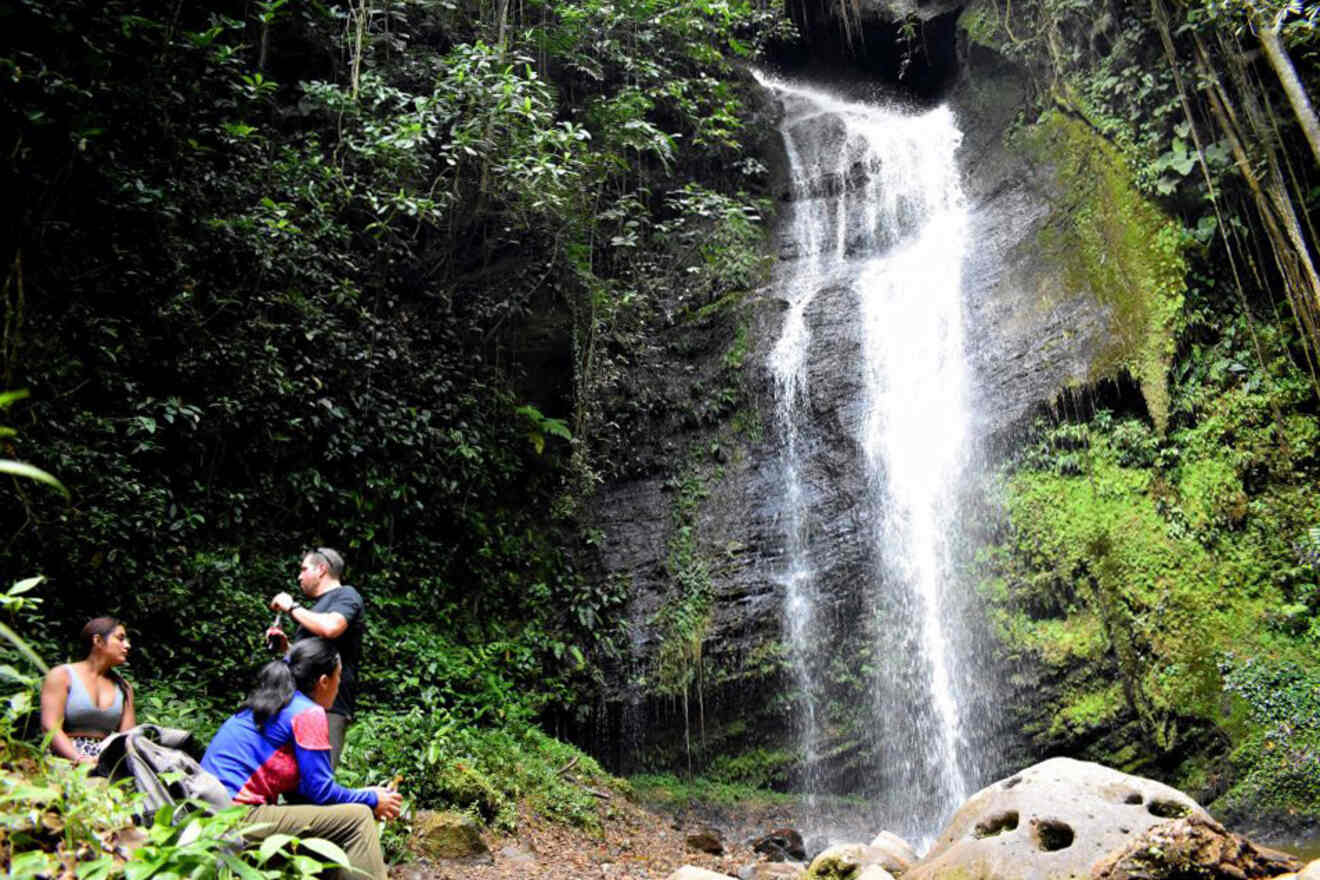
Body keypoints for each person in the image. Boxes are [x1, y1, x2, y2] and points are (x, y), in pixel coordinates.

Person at [201, 638, 402, 880]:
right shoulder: (307, 712)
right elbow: (322, 793)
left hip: (209, 815)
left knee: (333, 836)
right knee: (357, 818)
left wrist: (366, 796)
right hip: (234, 818)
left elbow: (308, 794)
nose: (340, 685)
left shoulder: (274, 701)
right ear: (324, 681)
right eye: (339, 677)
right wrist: (370, 799)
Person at [267, 547, 364, 767]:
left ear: (321, 569)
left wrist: (291, 606)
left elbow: (331, 628)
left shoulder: (346, 595)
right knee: (292, 778)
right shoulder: (318, 608)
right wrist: (287, 648)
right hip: (300, 702)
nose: (299, 576)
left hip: (329, 705)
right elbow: (317, 654)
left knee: (317, 780)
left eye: (303, 569)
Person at [40, 616, 136, 763]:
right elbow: (50, 726)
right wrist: (79, 759)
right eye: (120, 638)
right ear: (98, 641)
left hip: (106, 759)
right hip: (63, 756)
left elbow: (127, 738)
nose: (127, 645)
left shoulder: (124, 687)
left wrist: (107, 763)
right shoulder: (62, 675)